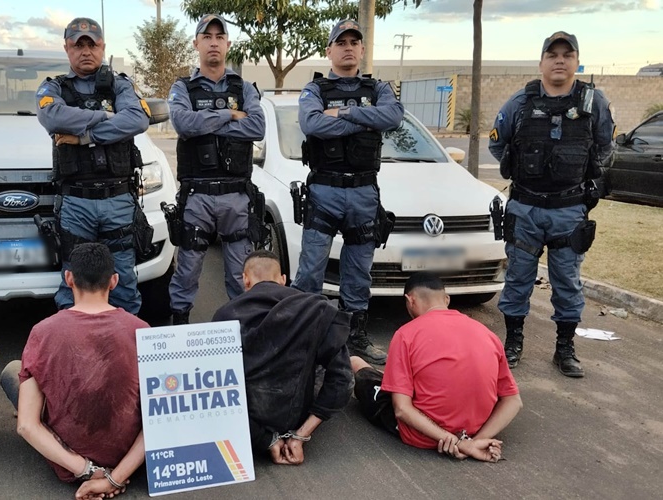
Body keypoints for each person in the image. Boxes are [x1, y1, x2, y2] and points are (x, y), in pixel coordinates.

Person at [489, 32, 615, 377]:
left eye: (567, 54)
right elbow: (499, 146)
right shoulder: (520, 102)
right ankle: (513, 343)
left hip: (569, 210)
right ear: (542, 62)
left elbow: (605, 148)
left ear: (576, 61)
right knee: (518, 278)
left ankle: (565, 348)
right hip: (525, 208)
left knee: (567, 281)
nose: (560, 60)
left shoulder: (594, 103)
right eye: (553, 54)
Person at [294, 19, 404, 364]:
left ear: (362, 49)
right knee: (311, 270)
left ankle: (354, 335)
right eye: (341, 42)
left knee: (358, 271)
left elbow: (394, 117)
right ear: (329, 50)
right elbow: (312, 123)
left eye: (354, 42)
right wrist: (365, 117)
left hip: (363, 192)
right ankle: (306, 336)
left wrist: (342, 112)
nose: (348, 47)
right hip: (324, 190)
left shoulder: (379, 89)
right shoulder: (314, 90)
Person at [0, 243, 147, 499]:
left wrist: (90, 472)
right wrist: (115, 477)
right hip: (128, 459)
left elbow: (26, 426)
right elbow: (160, 418)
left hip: (70, 464)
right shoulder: (142, 330)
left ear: (69, 279)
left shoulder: (43, 332)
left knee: (13, 371)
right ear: (114, 281)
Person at [37, 17, 150, 315]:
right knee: (73, 283)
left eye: (92, 44)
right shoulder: (54, 87)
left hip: (118, 200)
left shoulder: (121, 85)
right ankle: (74, 351)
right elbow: (53, 118)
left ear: (102, 47)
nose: (86, 51)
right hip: (76, 202)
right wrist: (108, 119)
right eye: (78, 45)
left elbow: (138, 119)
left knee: (123, 283)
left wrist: (83, 136)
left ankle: (124, 351)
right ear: (67, 48)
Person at [353, 272, 522, 462]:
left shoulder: (406, 335)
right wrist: (474, 441)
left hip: (421, 436)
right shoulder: (488, 334)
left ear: (410, 301)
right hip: (475, 431)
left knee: (359, 368)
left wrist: (453, 441)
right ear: (447, 299)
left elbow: (401, 409)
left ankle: (361, 366)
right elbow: (513, 401)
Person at [166, 14, 266, 325]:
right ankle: (179, 327)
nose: (213, 42)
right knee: (187, 271)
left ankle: (242, 334)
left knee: (240, 275)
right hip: (197, 195)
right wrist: (231, 115)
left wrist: (208, 120)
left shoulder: (244, 87)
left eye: (219, 37)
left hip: (236, 195)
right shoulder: (183, 87)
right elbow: (183, 123)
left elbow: (258, 126)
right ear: (196, 43)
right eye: (206, 36)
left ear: (227, 44)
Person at [212, 250, 352, 465]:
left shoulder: (224, 317)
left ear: (245, 280)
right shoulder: (314, 310)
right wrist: (299, 436)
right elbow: (342, 381)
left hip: (248, 424)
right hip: (296, 416)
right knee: (338, 361)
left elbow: (216, 392)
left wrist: (265, 440)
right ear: (283, 280)